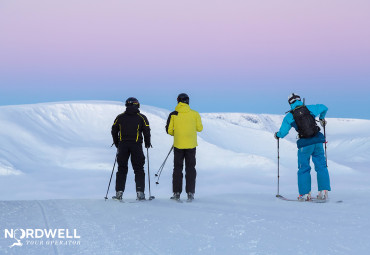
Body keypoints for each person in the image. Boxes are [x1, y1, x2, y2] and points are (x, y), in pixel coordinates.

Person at [274, 93, 331, 201]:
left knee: (304, 168)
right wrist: (322, 119)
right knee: (321, 166)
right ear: (300, 100)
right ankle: (323, 192)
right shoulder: (310, 109)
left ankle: (305, 194)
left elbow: (283, 132)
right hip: (318, 141)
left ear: (290, 103)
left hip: (304, 144)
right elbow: (324, 107)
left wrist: (277, 135)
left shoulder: (290, 116)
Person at [111, 97, 151, 201]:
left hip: (123, 145)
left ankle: (119, 193)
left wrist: (117, 143)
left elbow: (114, 131)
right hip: (136, 146)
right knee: (139, 169)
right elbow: (146, 131)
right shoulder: (142, 117)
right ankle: (140, 193)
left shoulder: (119, 117)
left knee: (121, 169)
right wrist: (147, 143)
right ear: (137, 105)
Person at [165, 93, 203, 201]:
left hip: (178, 145)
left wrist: (177, 134)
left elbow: (169, 130)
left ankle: (176, 193)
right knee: (190, 168)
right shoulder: (195, 114)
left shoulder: (173, 114)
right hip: (191, 145)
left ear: (178, 101)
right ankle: (190, 193)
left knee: (177, 168)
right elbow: (200, 128)